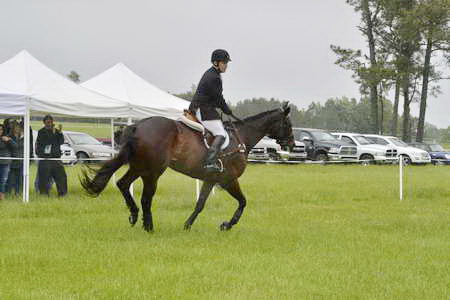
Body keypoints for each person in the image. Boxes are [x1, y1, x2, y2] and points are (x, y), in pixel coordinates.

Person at [188, 49, 233, 173]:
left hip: (205, 108)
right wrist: (227, 110)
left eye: (226, 63)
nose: (226, 66)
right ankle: (210, 162)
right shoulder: (214, 77)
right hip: (203, 110)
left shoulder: (212, 74)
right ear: (216, 63)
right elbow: (218, 98)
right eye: (224, 63)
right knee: (221, 134)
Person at [36, 115, 67, 196]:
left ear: (53, 122)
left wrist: (60, 133)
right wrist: (53, 133)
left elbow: (61, 142)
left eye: (50, 122)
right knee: (44, 178)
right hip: (45, 159)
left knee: (61, 177)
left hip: (56, 158)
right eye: (47, 122)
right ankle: (44, 194)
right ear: (44, 122)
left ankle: (62, 194)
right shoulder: (41, 132)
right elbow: (46, 142)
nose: (49, 124)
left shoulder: (56, 131)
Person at [6, 122, 24, 195]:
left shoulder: (22, 137)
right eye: (15, 127)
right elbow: (15, 146)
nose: (17, 128)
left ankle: (17, 193)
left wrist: (10, 140)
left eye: (18, 127)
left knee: (19, 179)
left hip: (20, 160)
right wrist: (10, 140)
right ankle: (9, 192)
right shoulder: (9, 136)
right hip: (12, 161)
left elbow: (20, 146)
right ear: (12, 128)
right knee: (10, 178)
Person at [0, 124, 16, 200]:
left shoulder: (6, 138)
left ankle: (2, 196)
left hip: (5, 163)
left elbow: (15, 146)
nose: (0, 131)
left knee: (3, 180)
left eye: (1, 129)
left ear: (3, 130)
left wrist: (9, 140)